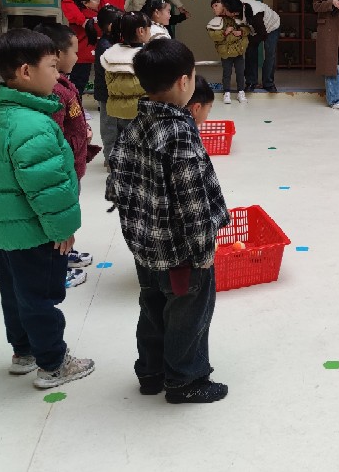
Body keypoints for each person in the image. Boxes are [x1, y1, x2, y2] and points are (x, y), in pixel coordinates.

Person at [106, 38, 231, 403]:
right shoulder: (180, 133)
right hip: (181, 253)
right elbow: (193, 202)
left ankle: (151, 372)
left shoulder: (135, 124)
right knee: (188, 313)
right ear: (183, 81)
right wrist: (203, 251)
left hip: (146, 248)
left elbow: (117, 185)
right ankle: (184, 381)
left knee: (152, 307)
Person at [0, 29, 95, 389]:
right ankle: (53, 363)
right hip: (36, 231)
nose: (58, 75)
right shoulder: (34, 125)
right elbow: (46, 187)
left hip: (10, 228)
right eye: (52, 66)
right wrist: (63, 230)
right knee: (40, 297)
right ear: (26, 72)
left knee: (16, 293)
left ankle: (24, 352)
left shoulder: (5, 113)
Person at [33, 23, 101, 288]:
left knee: (67, 212)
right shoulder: (53, 91)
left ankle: (63, 254)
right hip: (61, 168)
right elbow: (53, 134)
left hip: (72, 164)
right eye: (74, 50)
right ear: (57, 54)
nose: (78, 55)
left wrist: (82, 131)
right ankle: (53, 269)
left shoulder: (63, 83)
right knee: (56, 216)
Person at [64, 0, 126, 93]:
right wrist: (83, 21)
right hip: (88, 30)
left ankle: (106, 101)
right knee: (80, 74)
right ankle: (73, 102)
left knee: (113, 71)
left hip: (113, 30)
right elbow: (69, 2)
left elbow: (122, 1)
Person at [100, 11, 152, 153]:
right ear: (141, 31)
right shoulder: (147, 57)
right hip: (140, 111)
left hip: (115, 109)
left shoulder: (110, 53)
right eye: (149, 28)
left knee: (119, 144)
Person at [93, 4, 123, 165]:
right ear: (111, 26)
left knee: (118, 125)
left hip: (114, 91)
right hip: (107, 93)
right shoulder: (105, 45)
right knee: (109, 127)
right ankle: (110, 158)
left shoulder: (114, 42)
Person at [207, 0, 251, 105]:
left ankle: (241, 92)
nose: (214, 9)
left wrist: (240, 32)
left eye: (216, 5)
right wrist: (225, 32)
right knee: (226, 73)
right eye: (212, 7)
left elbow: (247, 29)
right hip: (225, 53)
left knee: (240, 72)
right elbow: (214, 36)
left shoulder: (236, 17)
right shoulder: (214, 22)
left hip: (238, 51)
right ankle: (226, 92)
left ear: (224, 5)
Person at [60, 0, 103, 96]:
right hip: (84, 53)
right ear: (85, 3)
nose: (98, 1)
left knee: (77, 81)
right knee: (79, 82)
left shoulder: (78, 14)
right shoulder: (91, 17)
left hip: (79, 53)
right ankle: (74, 102)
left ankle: (74, 101)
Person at [239, 0, 281, 92]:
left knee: (270, 53)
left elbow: (263, 34)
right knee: (250, 52)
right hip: (253, 29)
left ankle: (268, 83)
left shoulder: (256, 13)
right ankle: (251, 82)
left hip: (271, 26)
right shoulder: (231, 11)